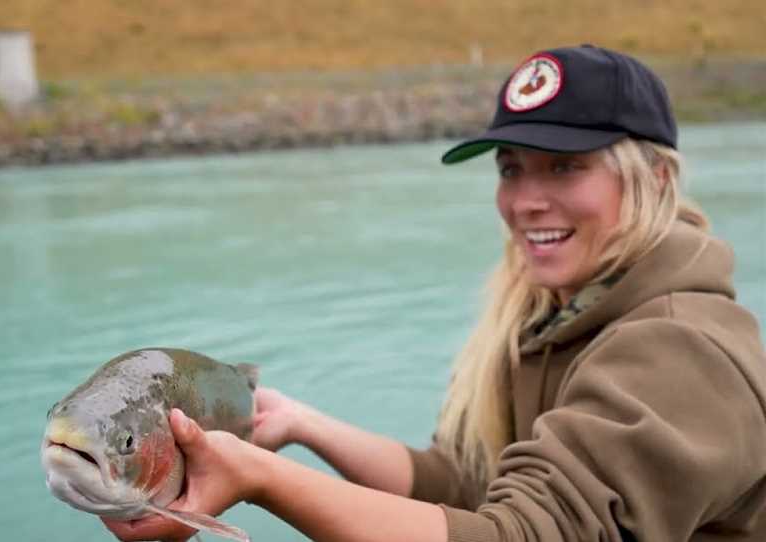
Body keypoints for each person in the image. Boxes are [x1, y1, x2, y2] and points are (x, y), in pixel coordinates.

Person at [103, 45, 766, 542]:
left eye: (565, 167)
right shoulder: (553, 319)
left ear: (652, 176)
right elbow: (467, 483)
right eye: (512, 169)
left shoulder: (681, 347)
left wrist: (261, 479)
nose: (527, 201)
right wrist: (302, 425)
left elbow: (521, 535)